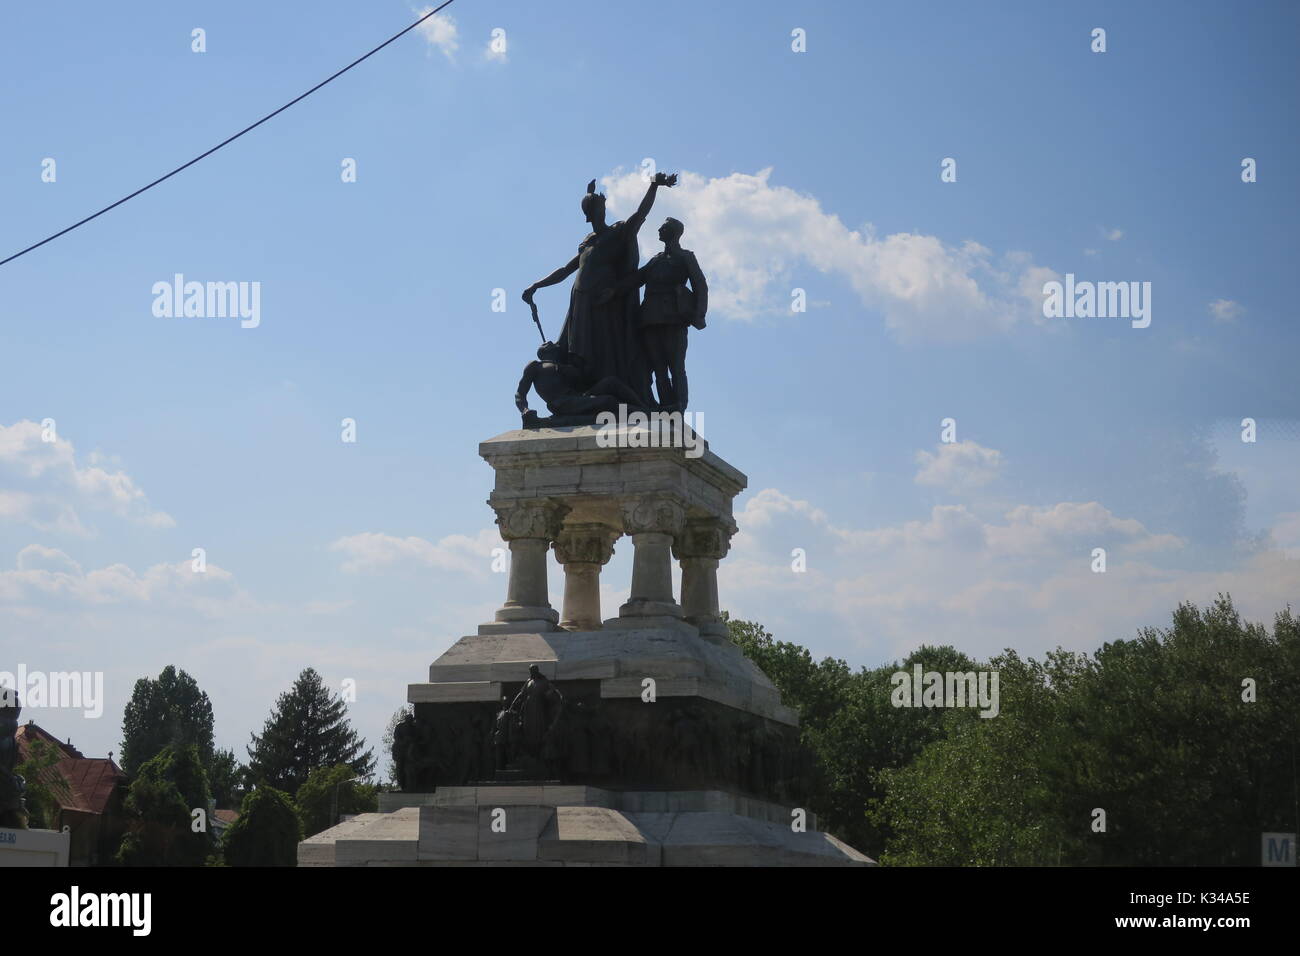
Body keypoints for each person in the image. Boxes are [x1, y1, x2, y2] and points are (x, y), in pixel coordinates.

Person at [522, 173, 677, 406]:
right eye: (597, 207)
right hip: (580, 302)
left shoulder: (618, 232)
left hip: (605, 301)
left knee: (606, 348)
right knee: (578, 351)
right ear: (589, 214)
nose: (602, 211)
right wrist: (536, 286)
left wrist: (654, 186)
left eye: (602, 207)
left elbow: (640, 214)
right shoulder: (587, 242)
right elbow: (565, 270)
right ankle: (582, 394)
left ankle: (622, 398)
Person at [599, 217, 707, 412]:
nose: (659, 229)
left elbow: (700, 285)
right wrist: (614, 291)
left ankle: (679, 407)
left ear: (673, 232)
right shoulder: (656, 260)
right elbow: (637, 278)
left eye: (663, 227)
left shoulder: (685, 257)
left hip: (674, 317)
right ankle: (667, 406)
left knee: (676, 367)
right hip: (650, 318)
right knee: (658, 368)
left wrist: (699, 314)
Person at [514, 341, 645, 427]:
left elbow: (582, 380)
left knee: (611, 382)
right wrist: (524, 410)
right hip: (561, 403)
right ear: (542, 351)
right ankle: (641, 414)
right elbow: (520, 393)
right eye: (546, 344)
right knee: (608, 400)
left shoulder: (565, 366)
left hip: (578, 396)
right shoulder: (536, 366)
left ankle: (644, 407)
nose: (548, 342)